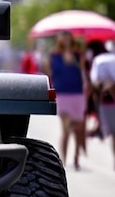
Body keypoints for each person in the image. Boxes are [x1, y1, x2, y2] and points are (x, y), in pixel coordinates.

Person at [44, 30, 88, 170]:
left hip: (77, 92)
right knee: (66, 128)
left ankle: (75, 156)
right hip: (62, 92)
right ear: (59, 39)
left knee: (77, 128)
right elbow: (49, 72)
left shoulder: (78, 54)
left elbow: (83, 72)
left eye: (67, 36)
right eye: (63, 37)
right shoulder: (54, 55)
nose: (65, 39)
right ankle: (62, 159)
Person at [89, 40, 115, 169]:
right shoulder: (101, 61)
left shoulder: (99, 61)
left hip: (106, 102)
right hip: (107, 102)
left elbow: (95, 82)